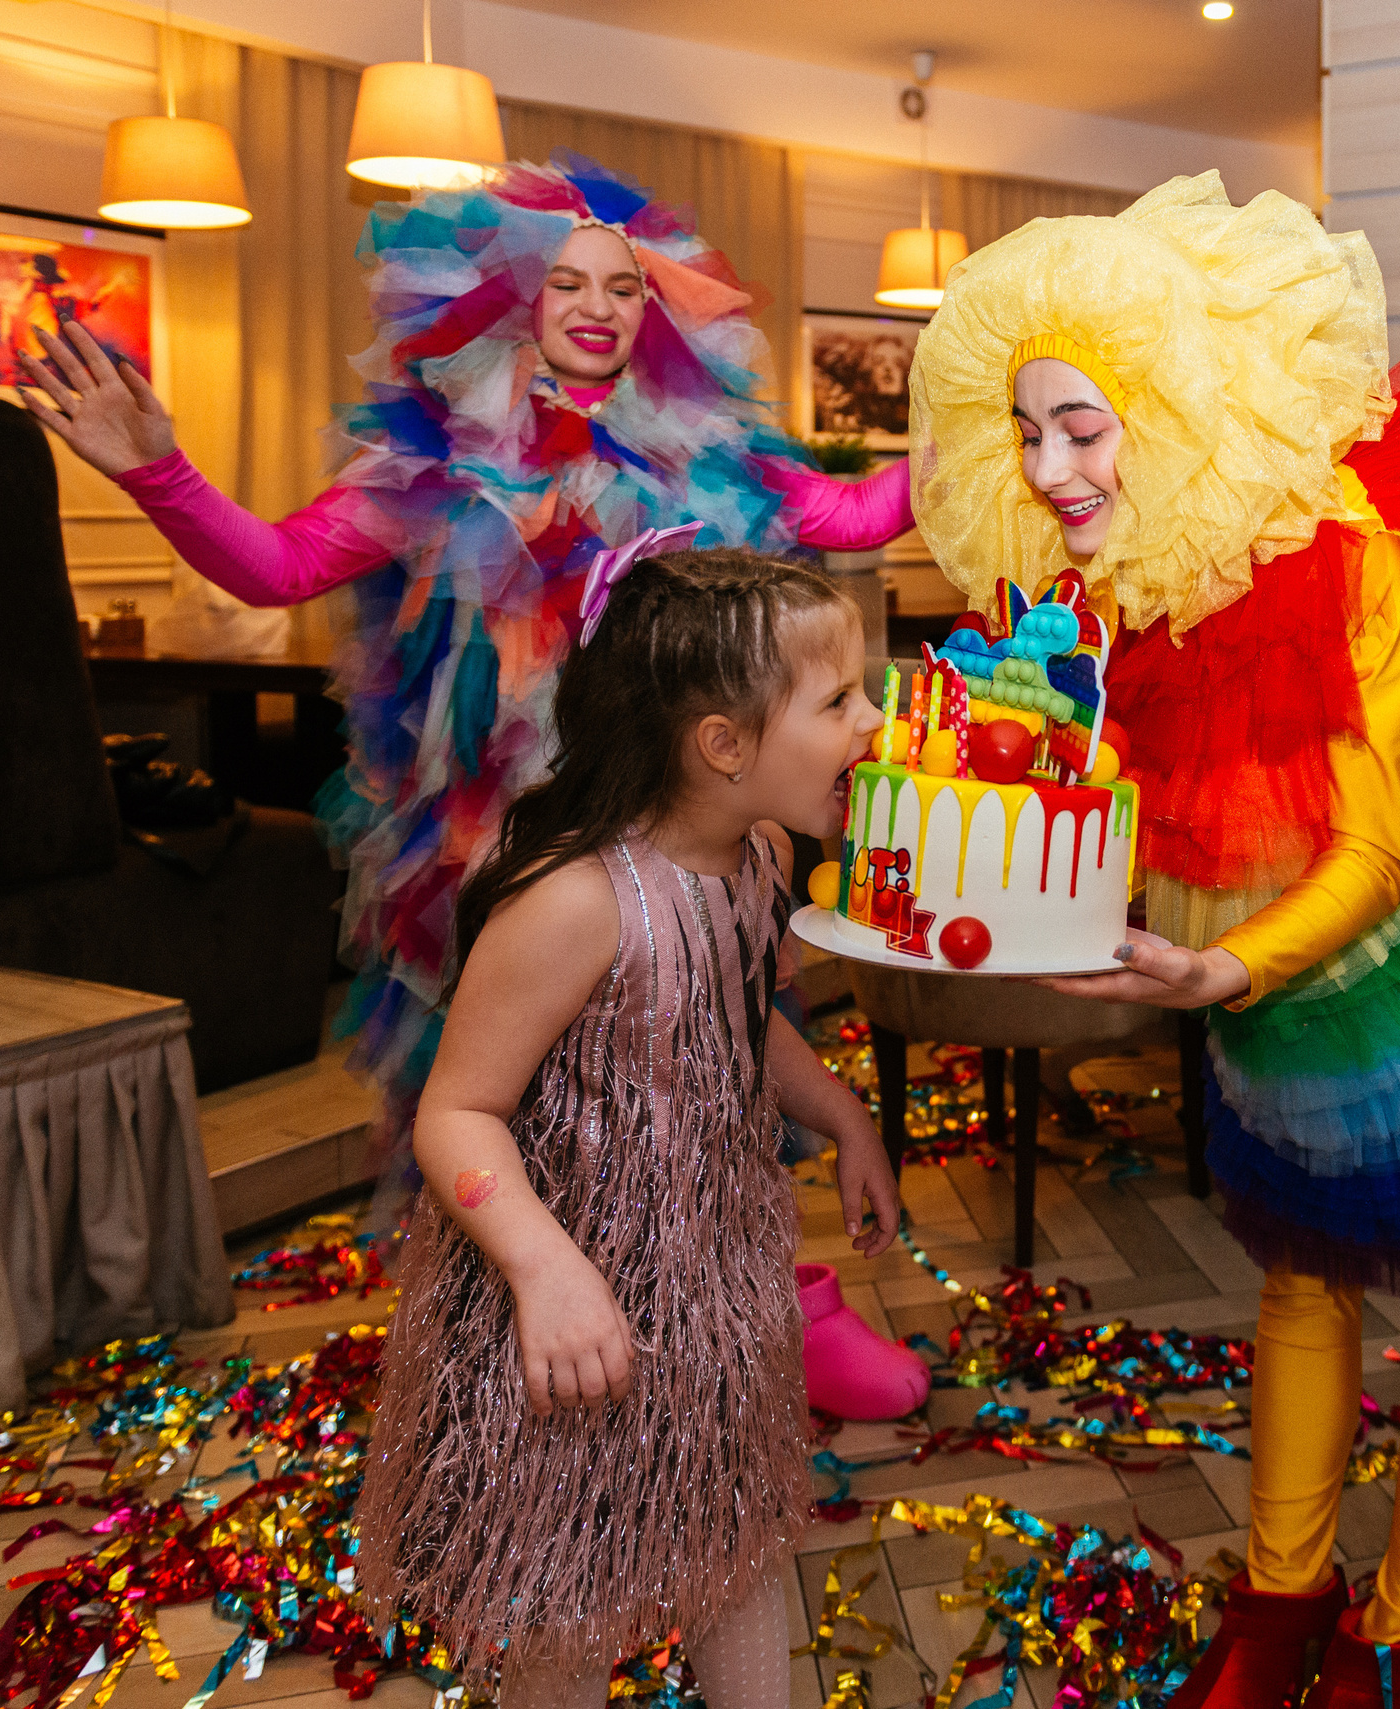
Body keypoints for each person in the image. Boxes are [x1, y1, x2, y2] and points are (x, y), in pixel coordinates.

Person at [907, 175, 1400, 1709]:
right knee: (1302, 1280)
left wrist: (1222, 969)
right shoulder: (1124, 588)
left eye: (1088, 425)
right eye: (1031, 430)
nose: (1055, 466)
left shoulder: (1358, 567)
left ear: (1175, 410)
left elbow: (1379, 851)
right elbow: (1116, 786)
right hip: (1268, 965)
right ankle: (1281, 1607)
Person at [17, 151, 911, 1199]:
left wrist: (986, 443)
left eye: (624, 286)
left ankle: (729, 1282)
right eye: (565, 282)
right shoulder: (430, 460)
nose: (597, 306)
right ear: (510, 298)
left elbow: (852, 515)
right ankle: (524, 1285)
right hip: (504, 826)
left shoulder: (709, 449)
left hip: (681, 811)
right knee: (519, 1081)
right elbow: (280, 567)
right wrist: (158, 473)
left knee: (708, 1043)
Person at [354, 544, 901, 1709]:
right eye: (839, 698)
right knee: (573, 1586)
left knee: (735, 1542)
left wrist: (843, 1116)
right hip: (576, 1323)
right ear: (724, 743)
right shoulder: (577, 900)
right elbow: (457, 1112)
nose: (871, 721)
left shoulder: (757, 857)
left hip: (717, 1290)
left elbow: (738, 1015)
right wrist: (546, 1269)